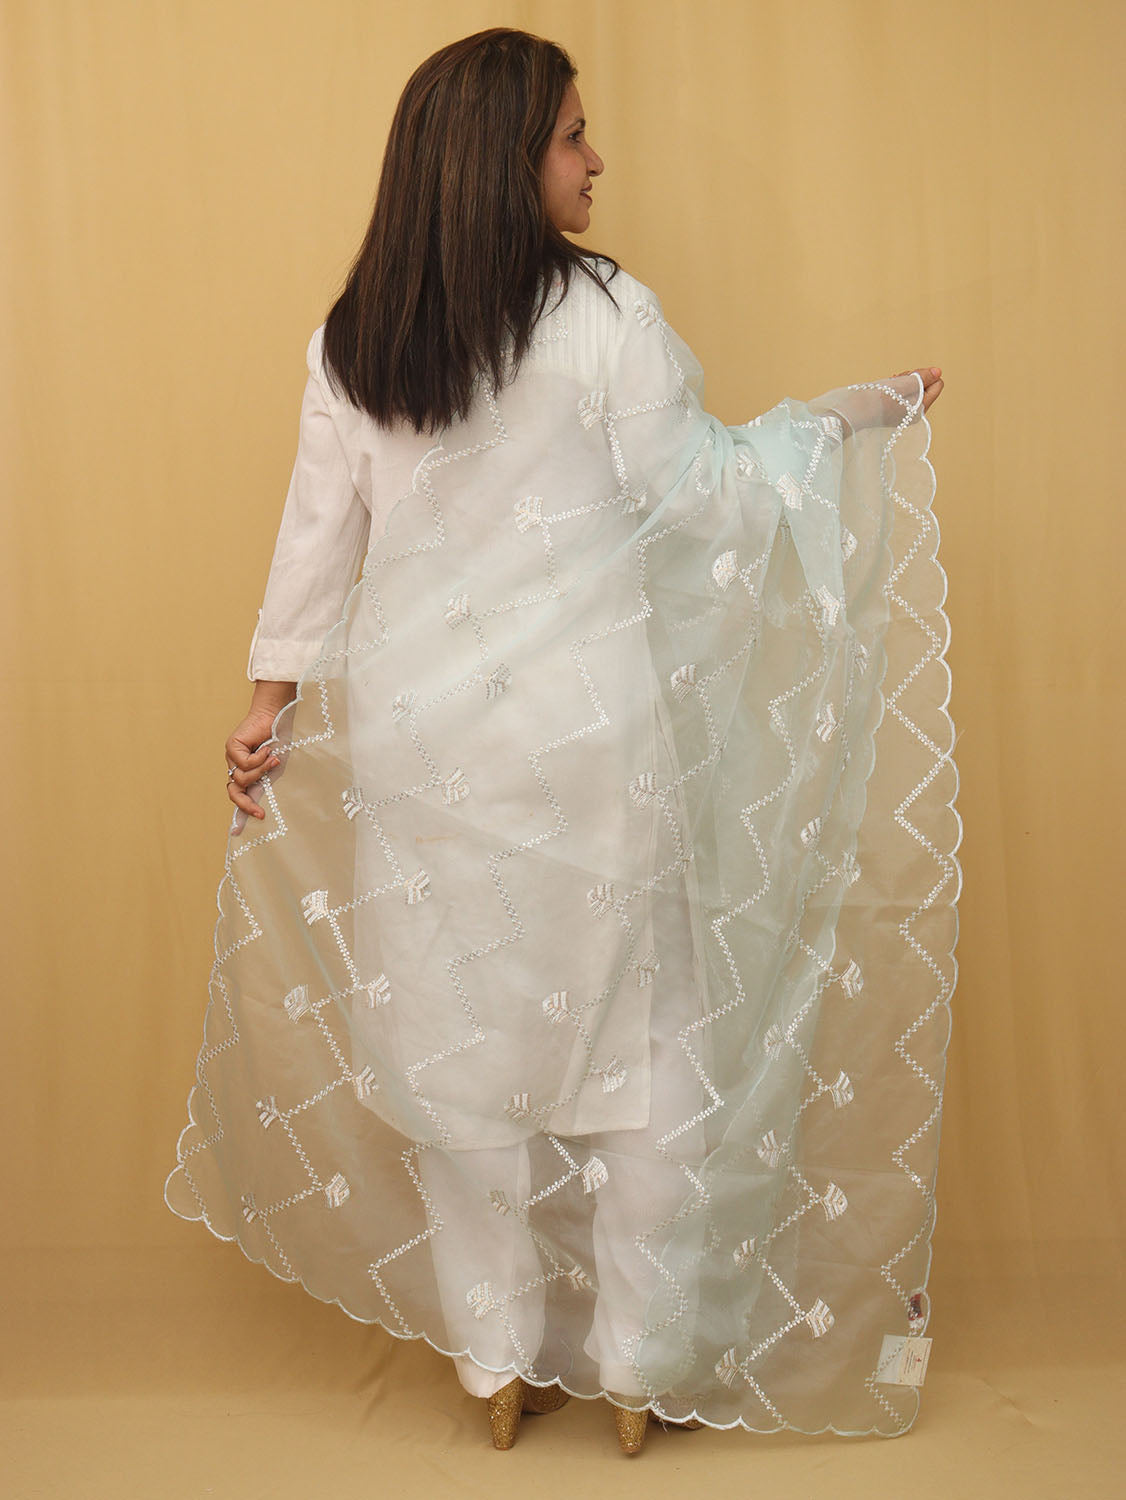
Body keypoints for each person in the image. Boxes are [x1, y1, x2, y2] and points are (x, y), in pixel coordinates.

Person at [165, 28, 958, 1456]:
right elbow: (707, 497)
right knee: (641, 1054)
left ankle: (493, 1363)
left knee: (456, 1051)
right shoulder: (604, 316)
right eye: (574, 135)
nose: (598, 160)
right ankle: (639, 1370)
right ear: (505, 157)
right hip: (592, 749)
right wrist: (843, 423)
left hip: (424, 754)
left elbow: (316, 537)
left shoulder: (358, 336)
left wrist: (268, 703)